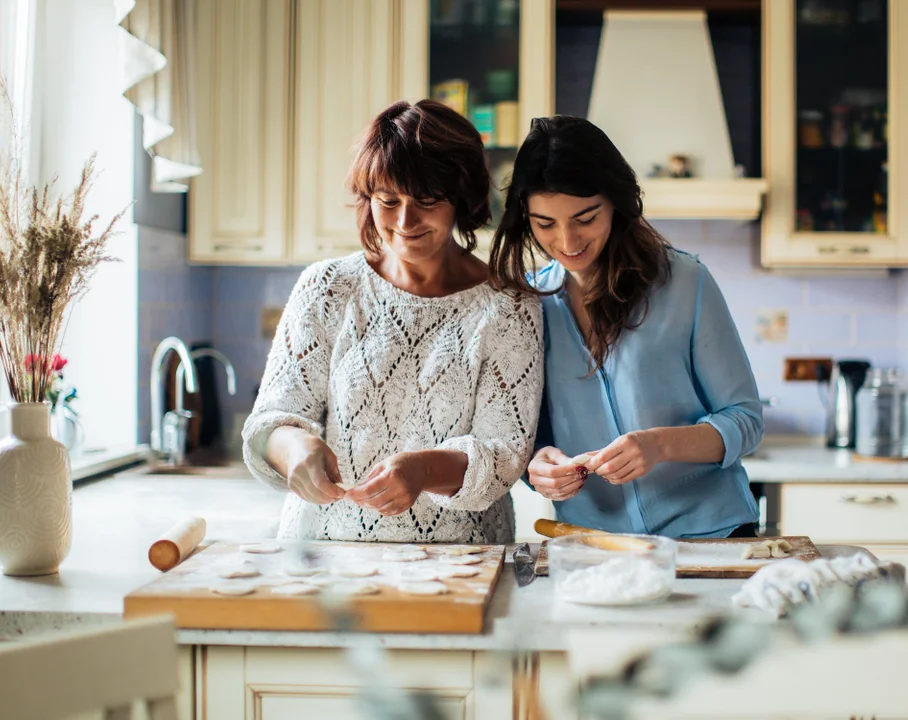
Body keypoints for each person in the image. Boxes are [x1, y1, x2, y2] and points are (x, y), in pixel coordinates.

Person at [242, 100, 544, 543]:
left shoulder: (509, 306)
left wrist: (422, 471)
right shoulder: (327, 287)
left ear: (461, 199)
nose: (405, 221)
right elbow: (271, 418)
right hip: (325, 555)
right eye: (388, 200)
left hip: (459, 562)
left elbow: (504, 454)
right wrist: (294, 448)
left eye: (427, 201)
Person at [488, 115, 763, 539]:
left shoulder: (686, 283)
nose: (567, 240)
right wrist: (538, 467)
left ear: (616, 202)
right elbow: (530, 439)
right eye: (545, 224)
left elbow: (745, 420)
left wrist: (659, 444)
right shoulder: (529, 307)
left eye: (585, 217)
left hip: (713, 538)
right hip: (595, 547)